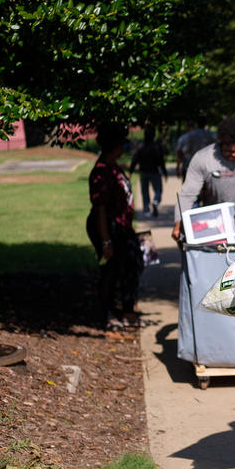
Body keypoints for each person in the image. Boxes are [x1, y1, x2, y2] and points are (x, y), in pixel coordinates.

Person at [86, 122, 145, 331]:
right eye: (122, 144)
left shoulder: (114, 167)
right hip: (108, 228)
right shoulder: (101, 171)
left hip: (122, 227)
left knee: (131, 266)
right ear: (114, 146)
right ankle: (108, 314)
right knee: (111, 270)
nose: (124, 148)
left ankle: (127, 311)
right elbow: (100, 208)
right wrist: (106, 241)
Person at [129, 124, 168, 218]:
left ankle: (146, 210)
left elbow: (135, 160)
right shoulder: (157, 146)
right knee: (158, 189)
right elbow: (161, 161)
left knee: (144, 191)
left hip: (143, 172)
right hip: (154, 171)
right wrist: (165, 172)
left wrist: (130, 172)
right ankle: (156, 201)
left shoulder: (140, 146)